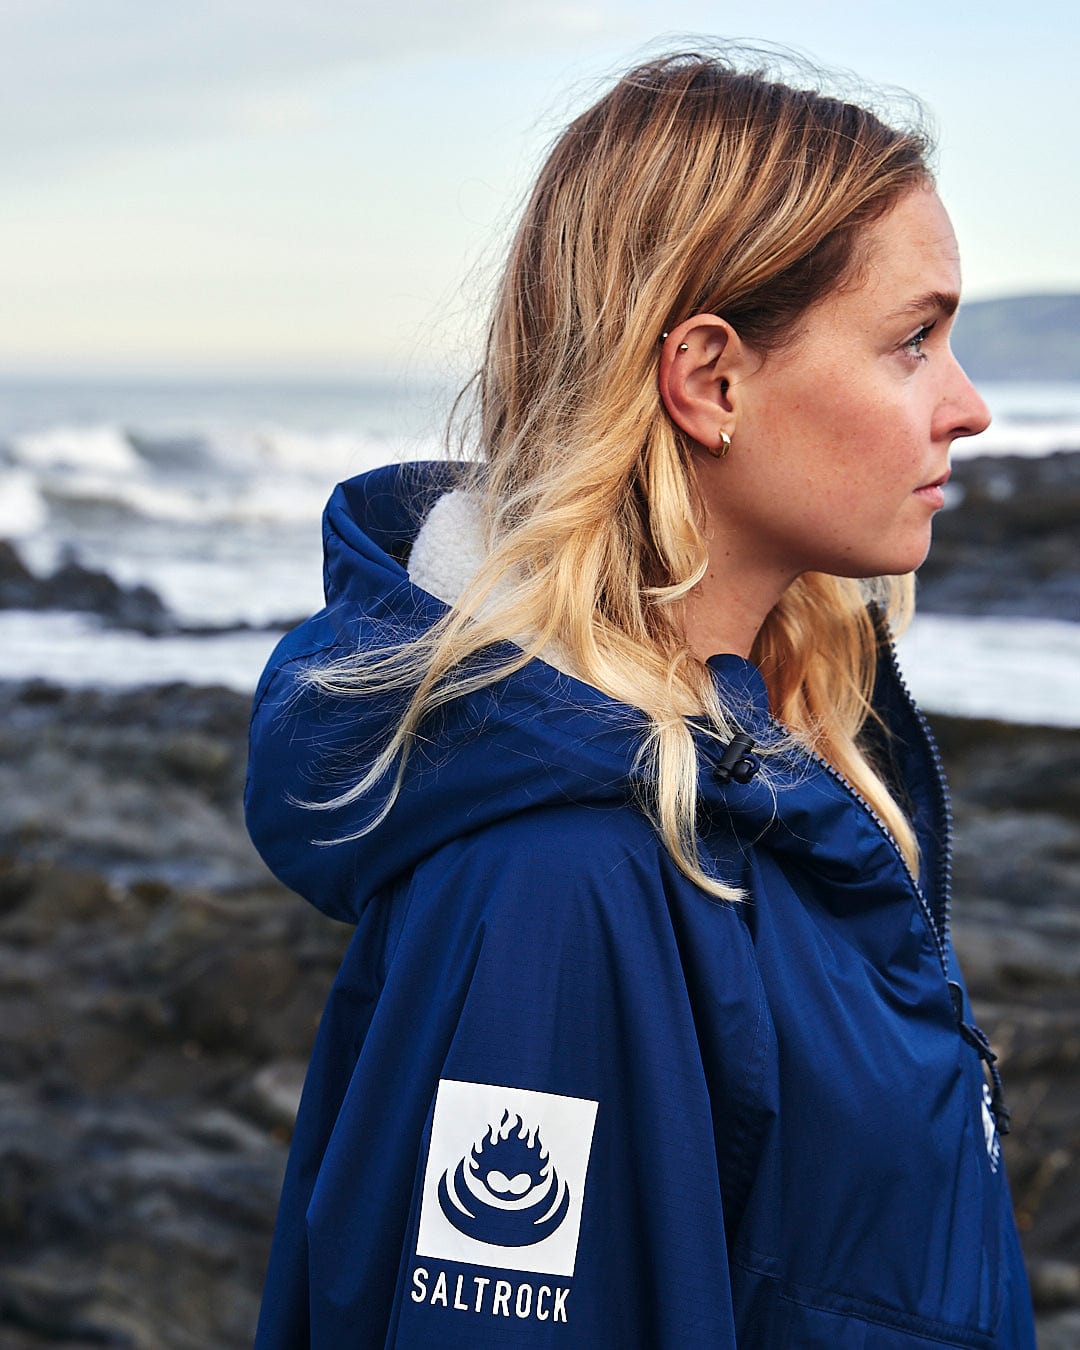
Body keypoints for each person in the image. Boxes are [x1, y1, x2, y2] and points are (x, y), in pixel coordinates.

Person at [244, 49, 1037, 1348]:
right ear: (710, 379)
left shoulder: (770, 759)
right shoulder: (562, 883)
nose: (970, 407)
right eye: (913, 341)